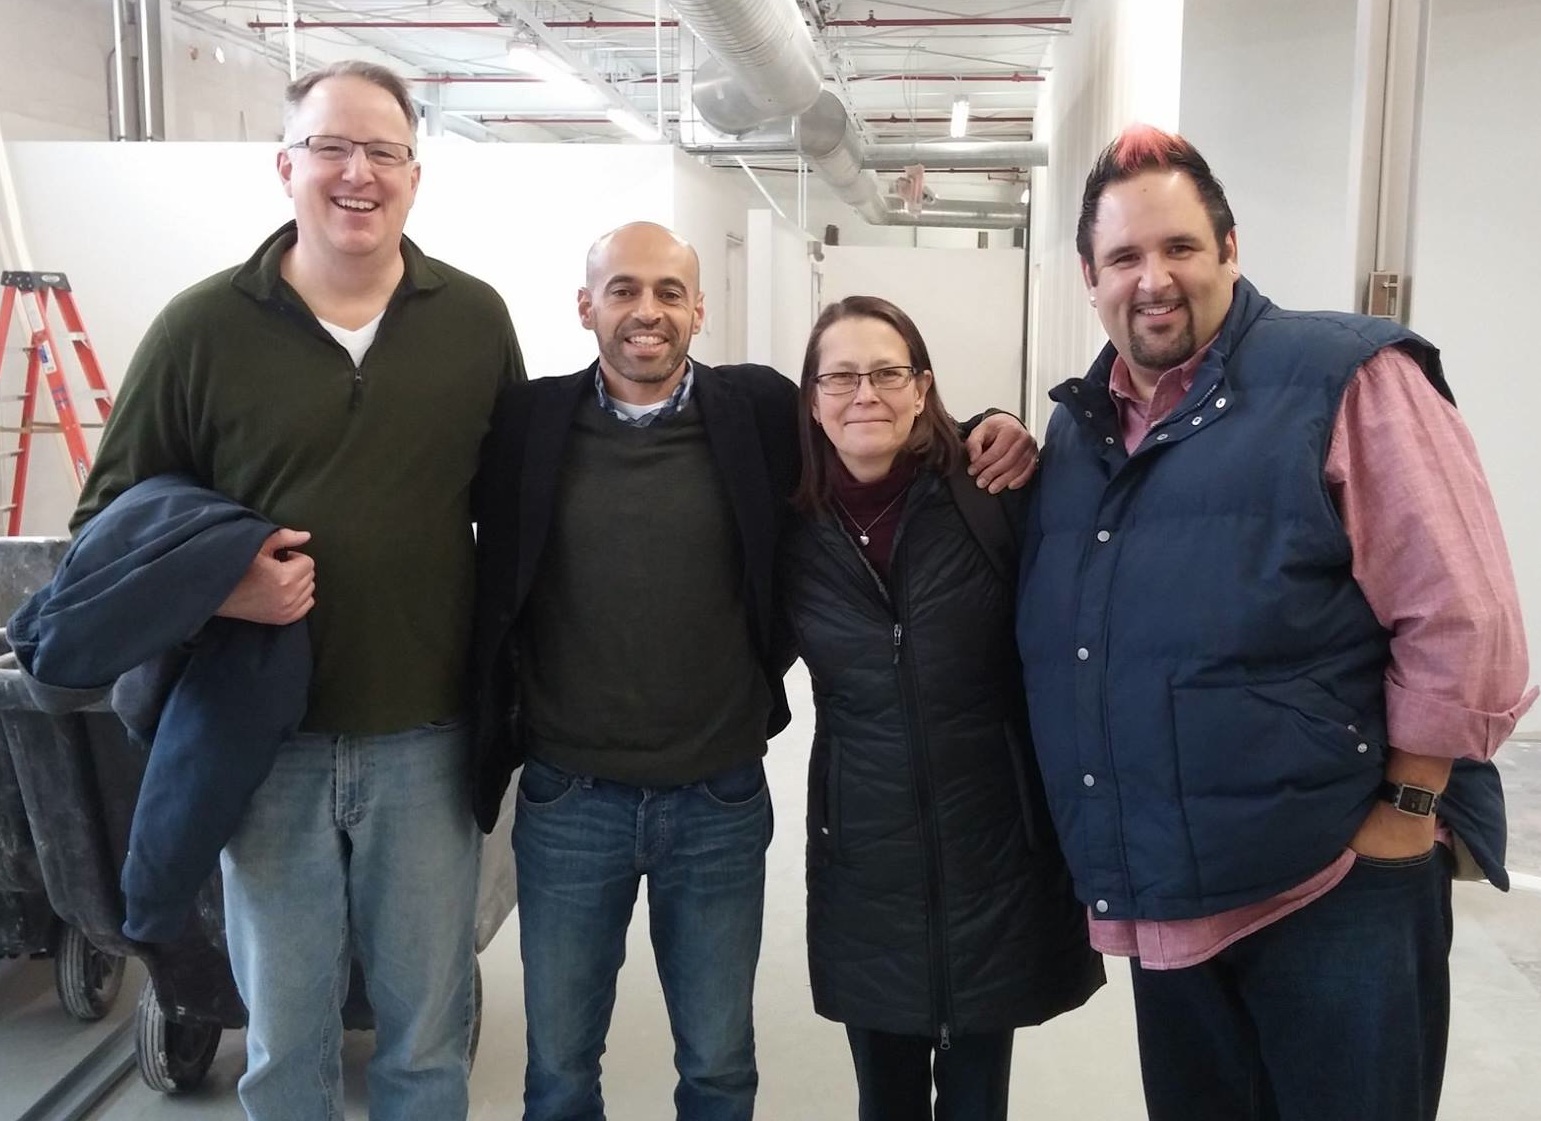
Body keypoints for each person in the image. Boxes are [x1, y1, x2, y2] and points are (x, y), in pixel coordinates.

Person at [1015, 124, 1536, 1121]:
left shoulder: (1345, 376)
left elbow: (1466, 618)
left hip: (1328, 884)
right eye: (1124, 256)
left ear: (1229, 249)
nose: (1153, 279)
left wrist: (1407, 811)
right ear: (1088, 275)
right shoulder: (1081, 425)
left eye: (1178, 248)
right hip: (1168, 888)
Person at [470, 221, 1036, 1121]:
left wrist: (986, 427)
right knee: (560, 1069)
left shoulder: (756, 409)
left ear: (700, 307)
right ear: (586, 305)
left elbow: (877, 428)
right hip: (568, 800)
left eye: (667, 291)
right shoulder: (529, 423)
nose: (645, 310)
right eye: (622, 289)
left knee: (720, 1066)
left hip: (716, 800)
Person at [71, 61, 526, 1120]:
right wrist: (223, 588)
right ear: (286, 166)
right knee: (285, 1047)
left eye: (383, 151)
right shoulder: (202, 330)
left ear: (415, 175)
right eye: (331, 147)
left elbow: (519, 518)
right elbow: (106, 532)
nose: (356, 173)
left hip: (427, 738)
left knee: (423, 1040)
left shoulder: (472, 321)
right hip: (259, 744)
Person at [779, 295, 1103, 1121]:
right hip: (863, 854)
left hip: (989, 843)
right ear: (811, 397)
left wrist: (1004, 423)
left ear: (921, 387)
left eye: (887, 372)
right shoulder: (786, 525)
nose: (865, 394)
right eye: (841, 375)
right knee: (883, 1099)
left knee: (974, 1100)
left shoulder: (989, 494)